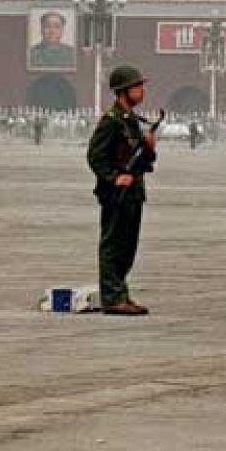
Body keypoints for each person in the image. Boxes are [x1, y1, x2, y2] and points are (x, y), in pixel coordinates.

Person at [86, 65, 156, 315]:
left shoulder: (131, 121)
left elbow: (142, 162)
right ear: (123, 91)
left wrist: (148, 147)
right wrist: (114, 178)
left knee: (127, 246)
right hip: (117, 193)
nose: (142, 90)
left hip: (134, 192)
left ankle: (121, 294)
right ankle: (112, 297)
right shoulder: (111, 121)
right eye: (137, 87)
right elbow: (95, 156)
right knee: (113, 245)